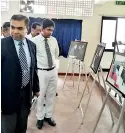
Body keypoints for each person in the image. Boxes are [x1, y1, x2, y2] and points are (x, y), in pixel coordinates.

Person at [1, 14, 40, 133]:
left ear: (27, 29)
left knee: (22, 127)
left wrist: (36, 89)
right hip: (7, 96)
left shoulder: (32, 46)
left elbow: (33, 69)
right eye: (13, 27)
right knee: (8, 128)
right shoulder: (2, 45)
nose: (15, 31)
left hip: (26, 95)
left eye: (20, 28)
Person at [31, 18, 59, 129]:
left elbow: (56, 54)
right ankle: (40, 118)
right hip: (41, 72)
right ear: (42, 29)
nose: (50, 32)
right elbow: (32, 58)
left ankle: (48, 116)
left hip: (53, 71)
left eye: (52, 30)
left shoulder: (54, 40)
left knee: (51, 95)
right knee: (40, 96)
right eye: (48, 29)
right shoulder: (34, 41)